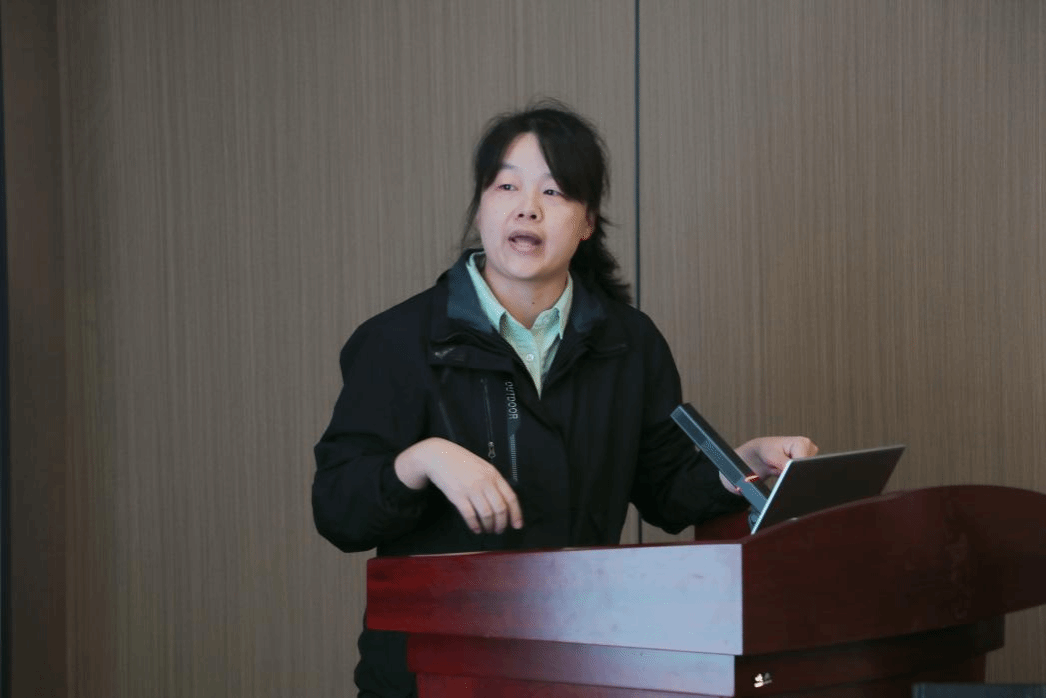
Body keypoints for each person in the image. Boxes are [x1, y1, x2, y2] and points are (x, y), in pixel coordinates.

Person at [312, 100, 818, 697]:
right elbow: (338, 511)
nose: (527, 207)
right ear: (481, 207)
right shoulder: (398, 341)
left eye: (553, 192)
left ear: (586, 223)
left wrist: (741, 464)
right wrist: (423, 459)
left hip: (582, 667)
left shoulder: (628, 343)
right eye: (506, 186)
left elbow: (665, 487)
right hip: (433, 675)